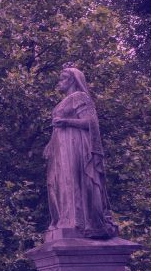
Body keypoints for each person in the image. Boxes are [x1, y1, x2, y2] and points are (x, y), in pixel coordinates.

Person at [44, 67, 119, 240]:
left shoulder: (80, 97)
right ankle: (66, 220)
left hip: (75, 145)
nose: (59, 83)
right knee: (59, 182)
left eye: (62, 79)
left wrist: (66, 122)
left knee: (73, 180)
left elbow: (90, 123)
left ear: (72, 80)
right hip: (61, 147)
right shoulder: (65, 101)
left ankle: (79, 221)